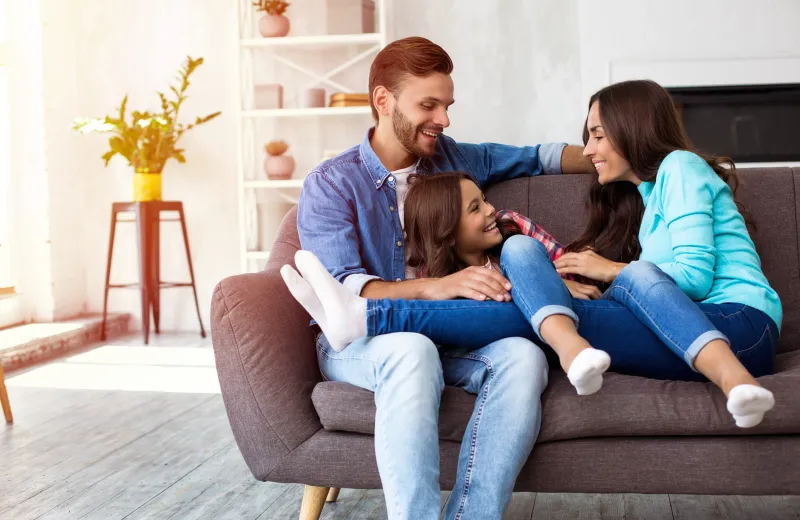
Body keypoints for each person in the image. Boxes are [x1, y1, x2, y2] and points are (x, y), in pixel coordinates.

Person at [284, 79, 780, 430]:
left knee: (588, 293)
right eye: (587, 137)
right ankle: (374, 315)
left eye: (599, 136)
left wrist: (608, 271)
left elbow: (689, 279)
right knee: (534, 286)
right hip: (684, 333)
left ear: (632, 131)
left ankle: (372, 315)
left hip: (736, 324)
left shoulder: (681, 168)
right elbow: (541, 161)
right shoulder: (648, 198)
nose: (588, 149)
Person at [295, 36, 594, 520]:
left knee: (523, 356)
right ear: (382, 101)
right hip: (363, 341)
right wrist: (441, 286)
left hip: (448, 337)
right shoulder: (332, 184)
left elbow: (540, 156)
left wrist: (630, 155)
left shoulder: (453, 159)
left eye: (447, 105)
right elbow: (349, 291)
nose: (444, 119)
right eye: (428, 105)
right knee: (410, 350)